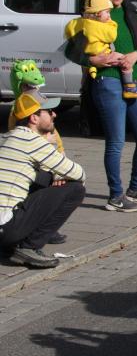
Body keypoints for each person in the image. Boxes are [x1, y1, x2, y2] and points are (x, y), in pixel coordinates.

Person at [64, 0, 137, 213]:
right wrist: (94, 61)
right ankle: (115, 196)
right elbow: (70, 51)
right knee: (116, 141)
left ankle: (135, 187)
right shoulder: (95, 15)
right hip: (107, 82)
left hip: (134, 82)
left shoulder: (131, 12)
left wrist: (134, 55)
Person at [0, 89, 86, 268]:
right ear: (34, 118)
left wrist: (54, 174)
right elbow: (78, 174)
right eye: (49, 111)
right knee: (75, 189)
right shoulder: (32, 141)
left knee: (45, 177)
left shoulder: (7, 137)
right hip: (6, 228)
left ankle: (10, 246)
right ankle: (29, 247)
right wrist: (51, 146)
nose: (54, 114)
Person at [64, 0, 137, 99]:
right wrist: (91, 61)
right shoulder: (100, 25)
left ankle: (84, 89)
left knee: (86, 73)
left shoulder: (132, 13)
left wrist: (136, 54)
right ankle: (129, 87)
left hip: (124, 75)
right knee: (123, 60)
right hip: (106, 74)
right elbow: (71, 51)